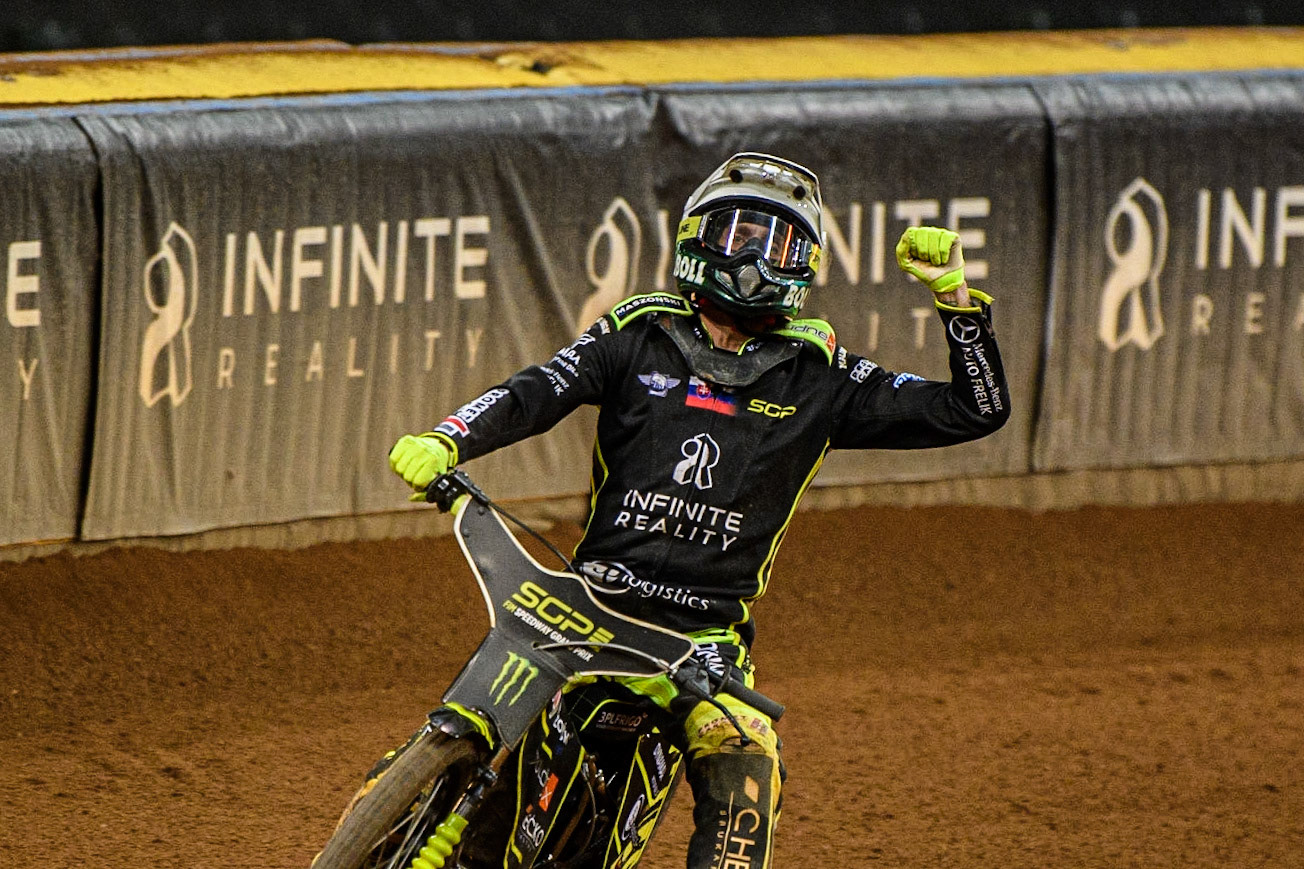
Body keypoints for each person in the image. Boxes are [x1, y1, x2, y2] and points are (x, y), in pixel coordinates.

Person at [389, 152, 1009, 868]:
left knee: (747, 750)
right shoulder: (638, 331)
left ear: (805, 266)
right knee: (480, 718)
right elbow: (537, 390)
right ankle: (390, 817)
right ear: (697, 238)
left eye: (778, 245)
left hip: (703, 640)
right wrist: (449, 438)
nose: (754, 259)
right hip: (582, 606)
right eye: (739, 234)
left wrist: (955, 298)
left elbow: (975, 409)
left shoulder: (822, 374)